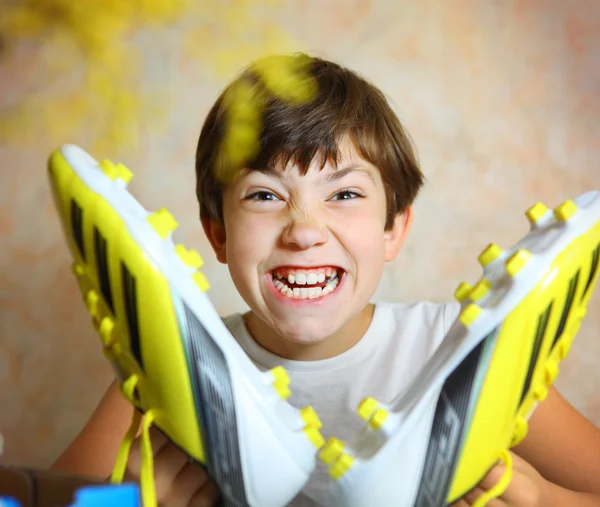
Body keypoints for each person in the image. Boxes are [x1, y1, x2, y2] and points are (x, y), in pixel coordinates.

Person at [50, 53, 600, 506]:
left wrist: (539, 499)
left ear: (393, 229)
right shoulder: (165, 367)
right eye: (265, 195)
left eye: (344, 194)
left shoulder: (460, 352)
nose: (305, 230)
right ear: (217, 234)